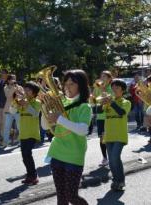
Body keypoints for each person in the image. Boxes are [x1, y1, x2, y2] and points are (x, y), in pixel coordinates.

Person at [42, 69, 92, 205]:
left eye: (72, 84)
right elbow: (46, 127)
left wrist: (59, 119)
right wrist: (44, 108)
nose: (67, 87)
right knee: (61, 196)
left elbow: (83, 130)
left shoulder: (84, 106)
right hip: (57, 152)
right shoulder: (61, 101)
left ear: (80, 86)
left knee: (71, 196)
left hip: (74, 155)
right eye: (66, 84)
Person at [101, 79, 131, 191]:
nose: (113, 90)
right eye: (112, 88)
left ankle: (121, 180)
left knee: (114, 157)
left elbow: (121, 112)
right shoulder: (108, 103)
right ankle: (116, 180)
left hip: (120, 135)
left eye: (117, 88)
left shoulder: (126, 102)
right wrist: (102, 102)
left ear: (122, 90)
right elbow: (99, 111)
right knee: (112, 160)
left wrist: (111, 102)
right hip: (109, 135)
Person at [16, 81, 41, 185]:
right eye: (25, 89)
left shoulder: (37, 102)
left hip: (32, 133)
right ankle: (30, 175)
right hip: (23, 133)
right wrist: (15, 100)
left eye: (28, 90)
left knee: (27, 154)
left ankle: (34, 176)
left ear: (34, 92)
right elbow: (12, 111)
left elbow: (35, 114)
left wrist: (25, 104)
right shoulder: (21, 102)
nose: (25, 91)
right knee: (24, 156)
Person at [92, 70, 113, 167]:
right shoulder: (97, 87)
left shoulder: (112, 88)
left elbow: (109, 99)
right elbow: (93, 99)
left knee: (109, 138)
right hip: (100, 116)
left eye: (105, 77)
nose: (102, 78)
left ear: (109, 79)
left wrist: (103, 89)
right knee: (102, 138)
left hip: (109, 116)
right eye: (101, 76)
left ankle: (113, 156)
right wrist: (92, 97)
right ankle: (105, 158)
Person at [1, 74, 23, 148]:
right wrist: (13, 88)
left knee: (20, 127)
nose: (14, 80)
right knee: (7, 127)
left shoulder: (19, 87)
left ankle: (21, 141)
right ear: (8, 80)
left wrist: (18, 90)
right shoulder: (6, 88)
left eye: (15, 79)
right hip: (9, 110)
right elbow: (8, 96)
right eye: (12, 79)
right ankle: (5, 142)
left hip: (17, 109)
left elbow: (23, 95)